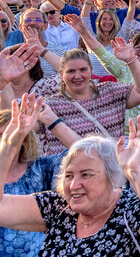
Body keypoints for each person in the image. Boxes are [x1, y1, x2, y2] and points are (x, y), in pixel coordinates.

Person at [0, 95, 140, 256]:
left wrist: (135, 171)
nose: (73, 185)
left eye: (86, 175)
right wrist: (9, 145)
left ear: (112, 178)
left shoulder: (128, 208)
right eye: (69, 175)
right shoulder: (58, 206)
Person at [64, 13, 140, 197]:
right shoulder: (121, 67)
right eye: (138, 47)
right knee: (129, 184)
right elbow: (99, 52)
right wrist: (83, 31)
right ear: (131, 49)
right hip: (129, 135)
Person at [0, 95, 81, 257]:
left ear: (24, 139)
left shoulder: (42, 169)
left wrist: (51, 120)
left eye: (9, 134)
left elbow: (85, 153)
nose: (5, 139)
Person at [41, 47, 140, 156]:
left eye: (83, 70)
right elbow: (28, 127)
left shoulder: (110, 92)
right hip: (69, 173)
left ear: (91, 71)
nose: (77, 76)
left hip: (110, 172)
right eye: (71, 71)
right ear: (61, 74)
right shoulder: (50, 106)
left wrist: (131, 60)